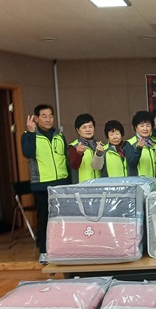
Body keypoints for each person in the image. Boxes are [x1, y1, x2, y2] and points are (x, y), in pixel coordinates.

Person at [20, 103, 70, 264]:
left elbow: (65, 159)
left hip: (62, 182)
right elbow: (28, 153)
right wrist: (31, 132)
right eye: (44, 116)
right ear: (36, 118)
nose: (48, 119)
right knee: (44, 219)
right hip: (42, 184)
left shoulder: (59, 136)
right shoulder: (28, 135)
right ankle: (43, 250)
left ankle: (63, 249)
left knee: (64, 219)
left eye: (50, 116)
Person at [126, 111, 156, 178]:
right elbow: (131, 164)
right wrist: (139, 149)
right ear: (136, 128)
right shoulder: (130, 143)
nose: (145, 129)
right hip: (138, 183)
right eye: (142, 126)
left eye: (148, 125)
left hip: (154, 182)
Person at [67, 113, 101, 183]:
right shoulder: (73, 147)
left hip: (99, 185)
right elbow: (73, 166)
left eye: (90, 127)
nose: (88, 130)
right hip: (82, 186)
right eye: (84, 127)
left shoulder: (100, 146)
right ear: (78, 130)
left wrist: (99, 153)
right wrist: (79, 154)